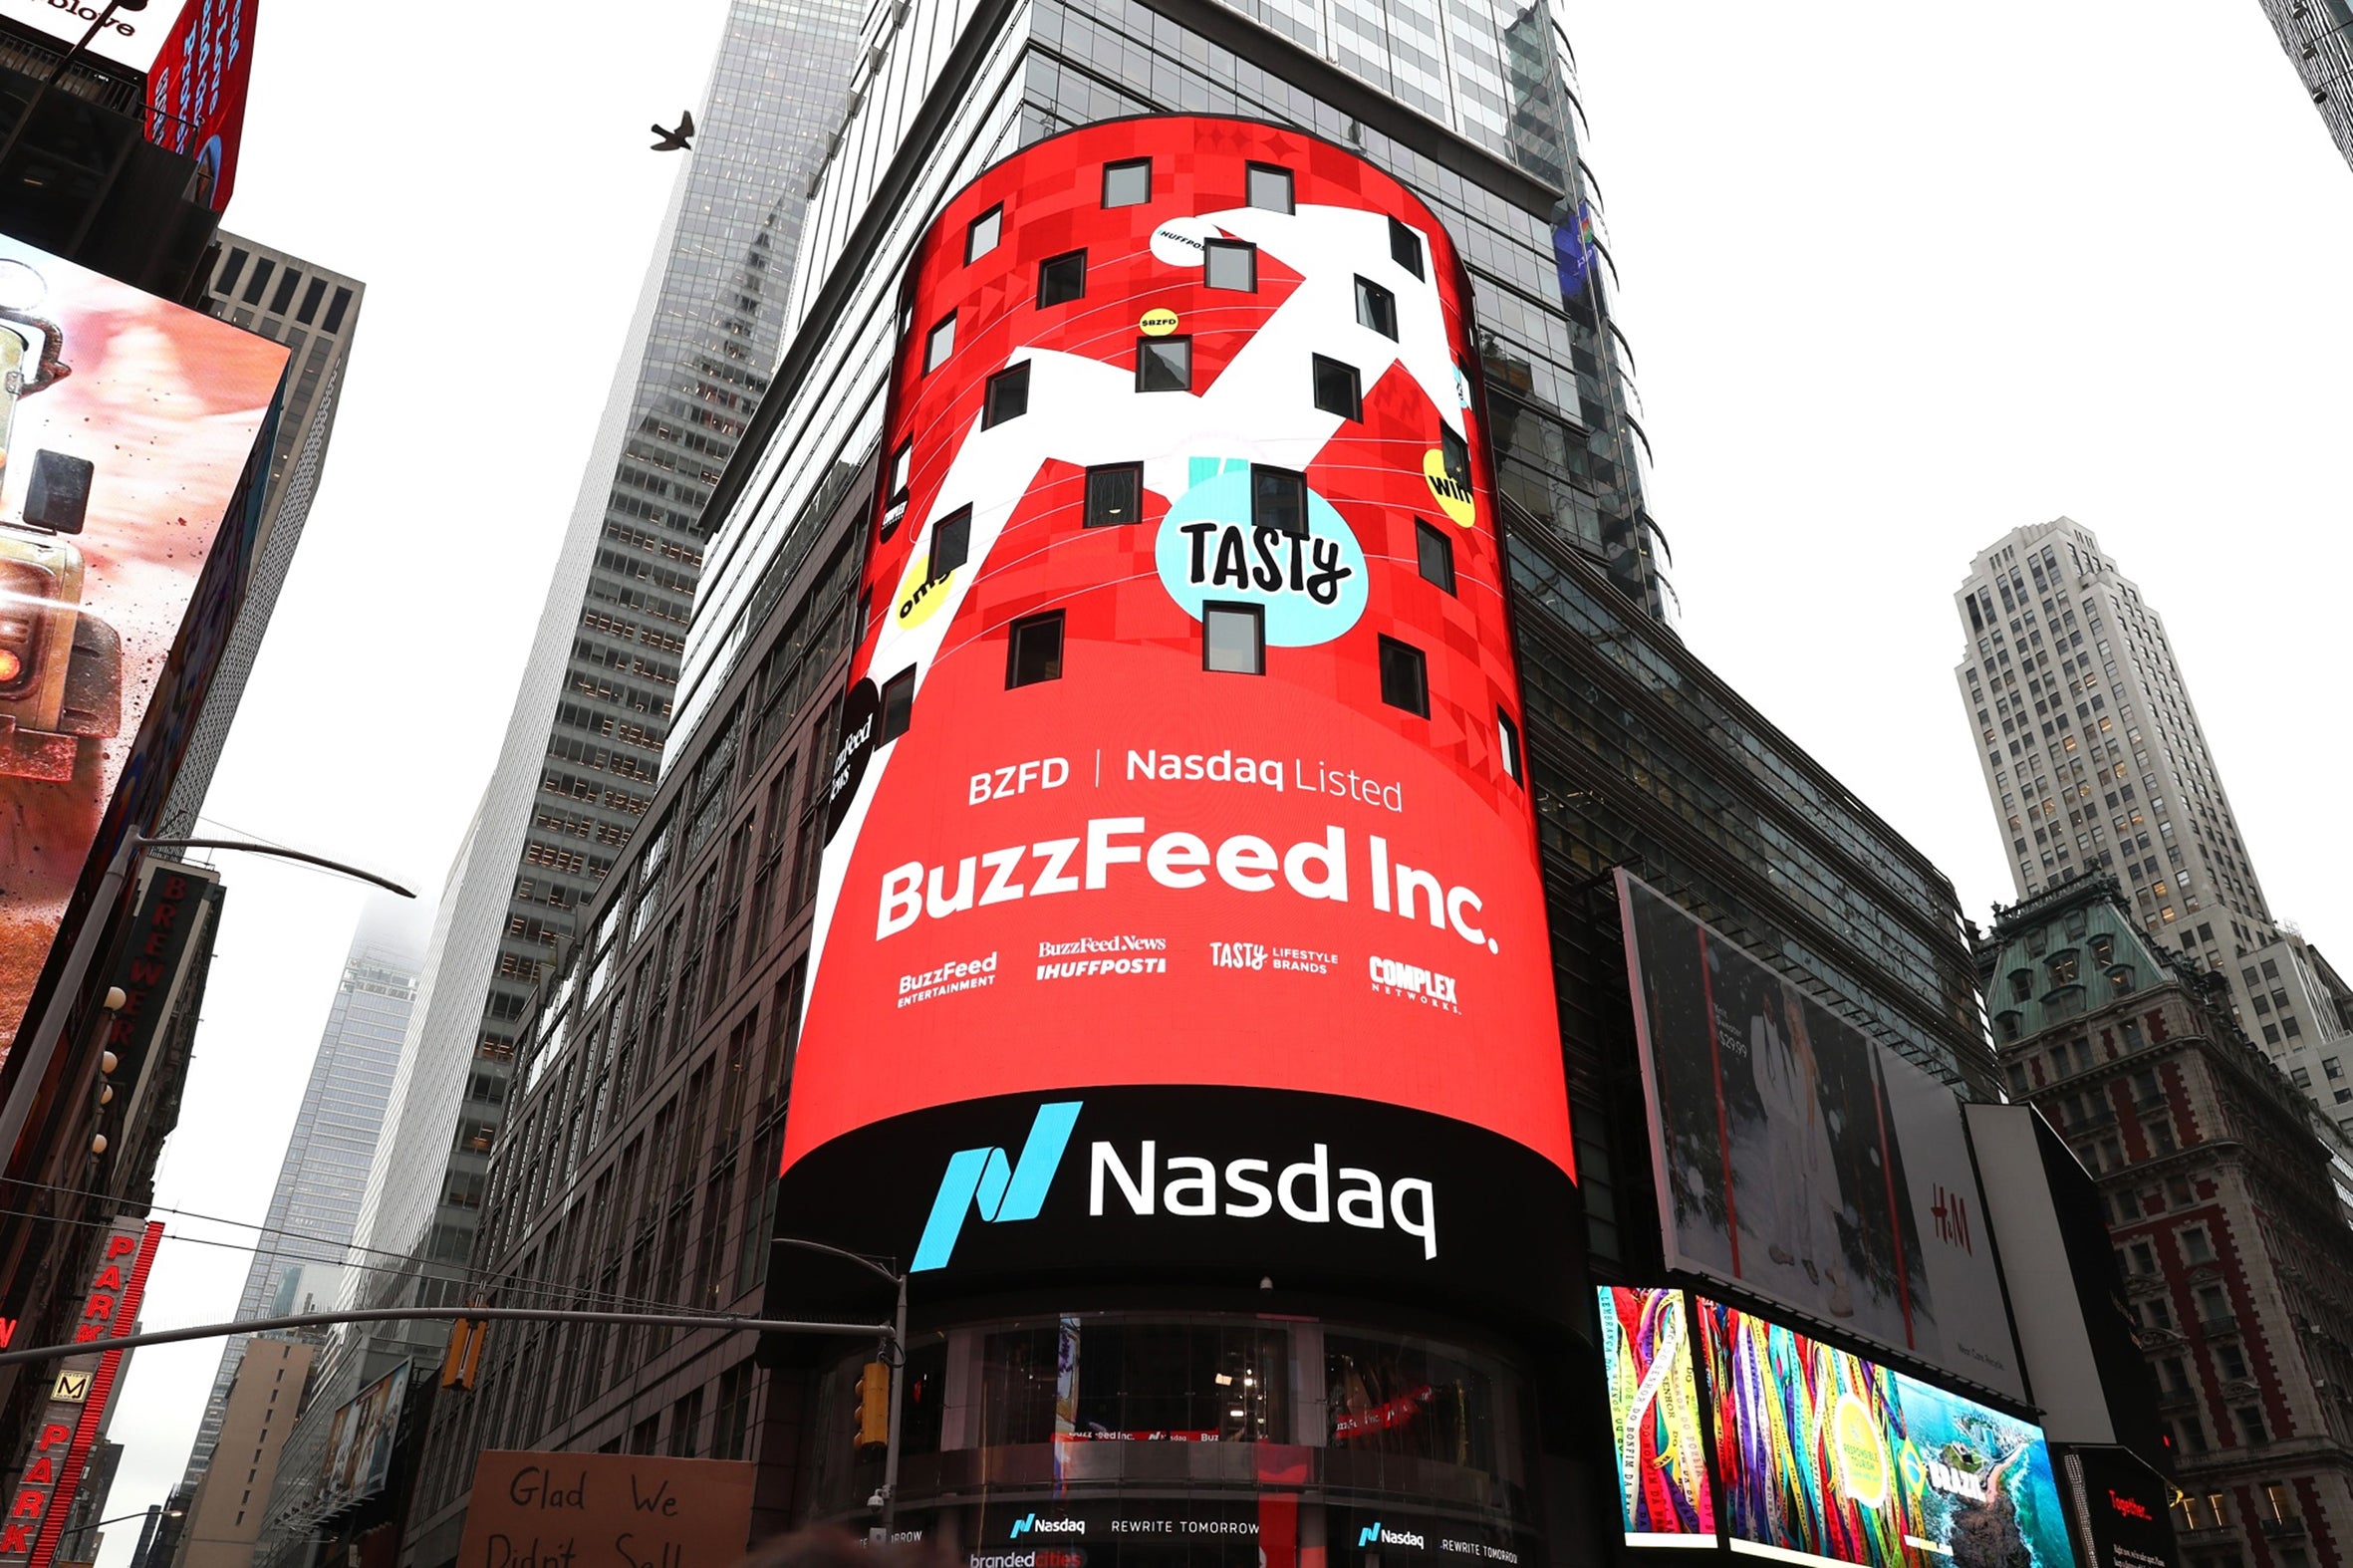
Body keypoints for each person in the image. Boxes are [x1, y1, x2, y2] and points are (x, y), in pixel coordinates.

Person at [1750, 985, 1853, 1317]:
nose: (1787, 1015)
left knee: (1816, 1196)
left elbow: (1808, 1098)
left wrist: (1806, 1134)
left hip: (1806, 1130)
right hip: (1791, 1124)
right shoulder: (1776, 1036)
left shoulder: (1798, 1047)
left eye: (1792, 1011)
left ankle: (1831, 1273)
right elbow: (1764, 1077)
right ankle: (1803, 1254)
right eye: (1786, 1011)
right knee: (1793, 1187)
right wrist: (1781, 1112)